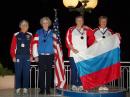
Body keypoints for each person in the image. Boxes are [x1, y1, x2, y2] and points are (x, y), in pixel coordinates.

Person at [66, 15, 95, 91]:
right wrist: (73, 49)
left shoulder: (85, 29)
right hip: (73, 53)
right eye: (78, 20)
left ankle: (81, 84)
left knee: (82, 69)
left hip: (83, 54)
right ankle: (74, 84)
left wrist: (89, 28)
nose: (79, 22)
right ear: (75, 21)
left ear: (83, 21)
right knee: (74, 69)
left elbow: (93, 36)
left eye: (81, 20)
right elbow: (67, 40)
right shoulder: (71, 29)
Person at [93, 16, 121, 91]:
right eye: (102, 21)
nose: (103, 23)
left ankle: (103, 84)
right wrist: (93, 42)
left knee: (105, 70)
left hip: (107, 54)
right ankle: (98, 84)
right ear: (99, 22)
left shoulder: (110, 31)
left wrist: (117, 36)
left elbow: (114, 41)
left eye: (105, 21)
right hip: (98, 54)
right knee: (99, 69)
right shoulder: (94, 31)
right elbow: (89, 41)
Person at [10, 20, 33, 95]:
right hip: (18, 56)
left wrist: (32, 56)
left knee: (26, 73)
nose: (24, 26)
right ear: (20, 26)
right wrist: (13, 56)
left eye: (26, 25)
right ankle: (18, 88)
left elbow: (32, 47)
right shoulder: (16, 35)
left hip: (27, 57)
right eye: (23, 25)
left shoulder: (30, 35)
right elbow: (12, 47)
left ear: (28, 27)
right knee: (18, 73)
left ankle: (26, 88)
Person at [33, 17, 54, 95]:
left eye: (47, 22)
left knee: (49, 73)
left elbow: (56, 45)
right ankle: (42, 89)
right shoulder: (38, 32)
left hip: (50, 55)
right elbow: (34, 44)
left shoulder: (53, 32)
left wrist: (56, 56)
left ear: (49, 23)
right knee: (41, 73)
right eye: (44, 22)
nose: (45, 24)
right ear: (42, 24)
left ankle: (48, 89)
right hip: (41, 55)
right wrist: (35, 56)